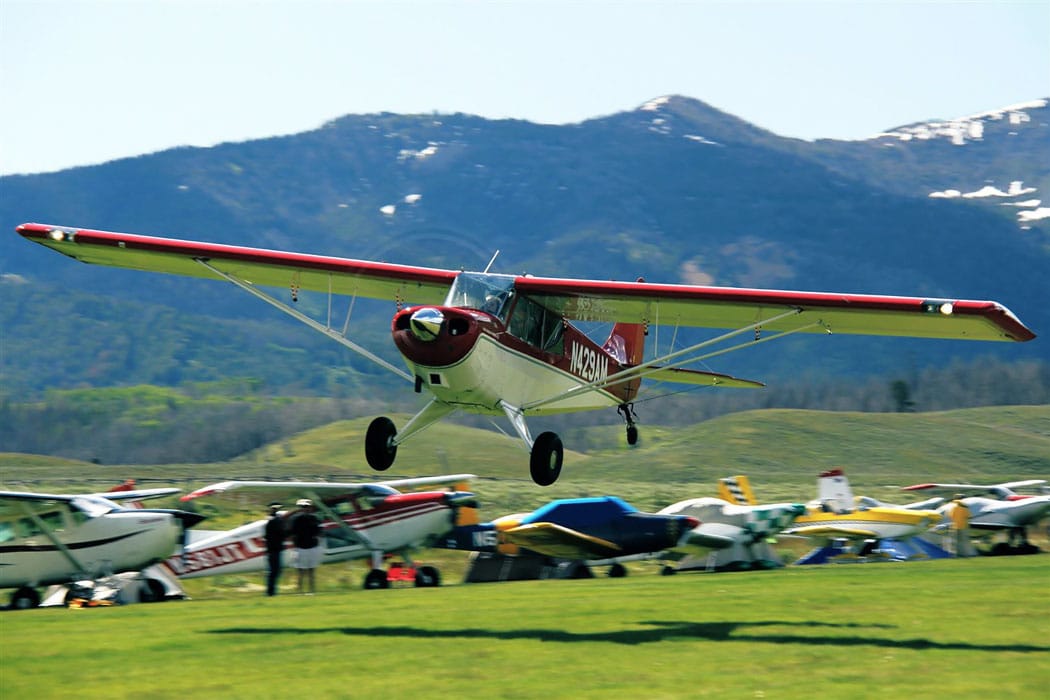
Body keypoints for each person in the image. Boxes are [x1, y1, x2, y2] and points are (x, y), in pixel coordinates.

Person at [288, 498, 322, 594]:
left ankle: (310, 590)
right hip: (301, 547)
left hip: (309, 546)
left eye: (306, 507)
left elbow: (291, 533)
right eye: (304, 507)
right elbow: (319, 532)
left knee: (310, 570)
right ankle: (301, 590)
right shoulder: (298, 519)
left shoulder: (313, 518)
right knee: (302, 571)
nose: (305, 508)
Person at [263, 502, 285, 596]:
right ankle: (271, 591)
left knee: (274, 571)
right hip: (274, 549)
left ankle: (271, 591)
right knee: (275, 571)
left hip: (272, 549)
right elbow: (281, 533)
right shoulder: (274, 521)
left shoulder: (271, 520)